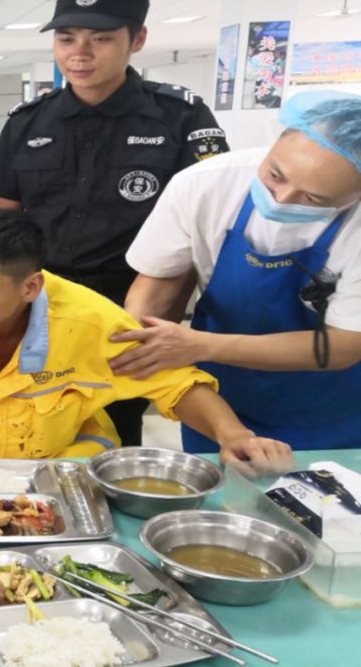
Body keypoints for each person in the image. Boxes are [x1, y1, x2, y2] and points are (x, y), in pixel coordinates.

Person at [0, 0, 230, 447]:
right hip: (38, 305)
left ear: (137, 39)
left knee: (115, 427)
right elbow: (4, 220)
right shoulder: (29, 122)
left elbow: (203, 229)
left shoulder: (179, 118)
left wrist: (162, 318)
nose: (80, 54)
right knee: (27, 425)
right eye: (67, 38)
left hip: (128, 306)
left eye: (101, 39)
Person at [0, 210, 291, 465]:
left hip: (61, 471)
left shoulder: (91, 323)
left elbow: (175, 385)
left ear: (30, 287)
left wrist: (231, 434)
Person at [113, 91, 361, 452]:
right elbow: (159, 284)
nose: (281, 198)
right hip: (223, 394)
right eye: (275, 175)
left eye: (312, 199)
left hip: (330, 407)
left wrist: (201, 344)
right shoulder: (205, 184)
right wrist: (131, 345)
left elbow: (344, 345)